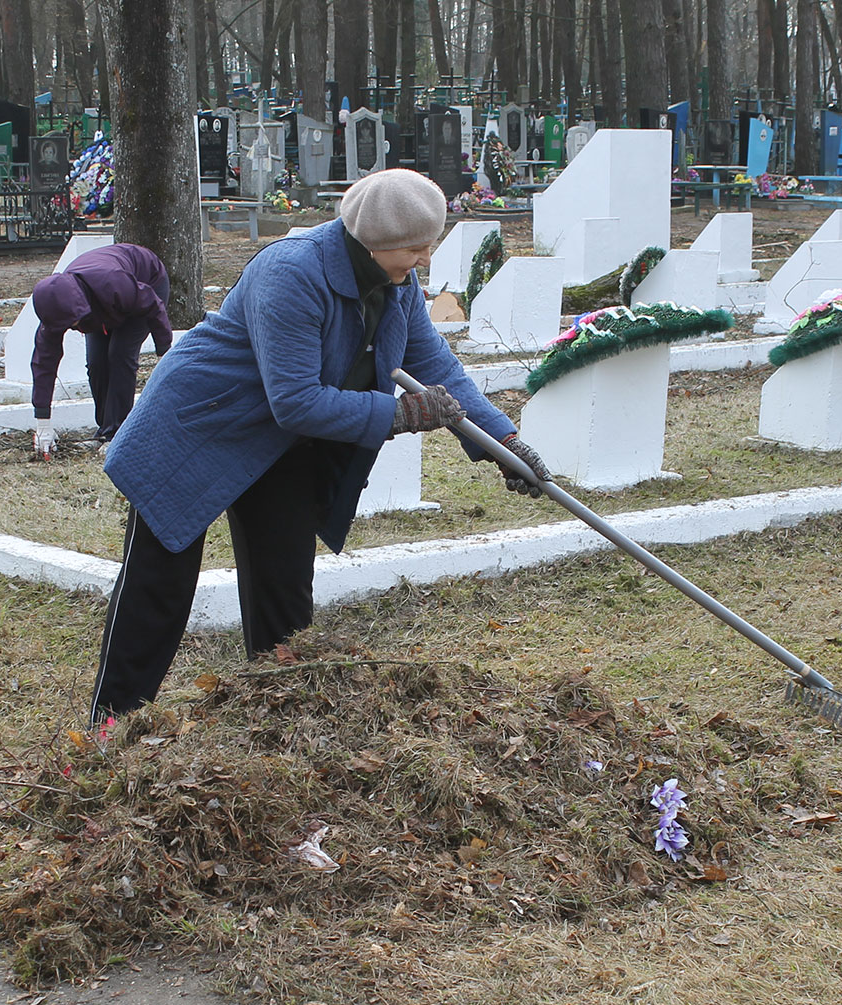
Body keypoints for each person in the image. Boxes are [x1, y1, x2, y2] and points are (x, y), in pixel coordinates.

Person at [89, 166, 551, 723]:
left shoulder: (396, 284)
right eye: (416, 248)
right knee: (158, 589)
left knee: (284, 585)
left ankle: (278, 717)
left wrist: (504, 441)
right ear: (375, 241)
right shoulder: (292, 272)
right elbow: (297, 400)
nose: (425, 260)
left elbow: (436, 367)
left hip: (280, 445)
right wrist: (399, 414)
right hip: (198, 429)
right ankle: (109, 729)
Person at [30, 243, 174, 455]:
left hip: (146, 284)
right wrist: (43, 424)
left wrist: (163, 350)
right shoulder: (56, 308)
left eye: (74, 324)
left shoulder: (113, 283)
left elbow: (152, 304)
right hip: (98, 305)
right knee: (96, 362)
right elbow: (44, 364)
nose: (74, 329)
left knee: (120, 354)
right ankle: (105, 431)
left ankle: (119, 434)